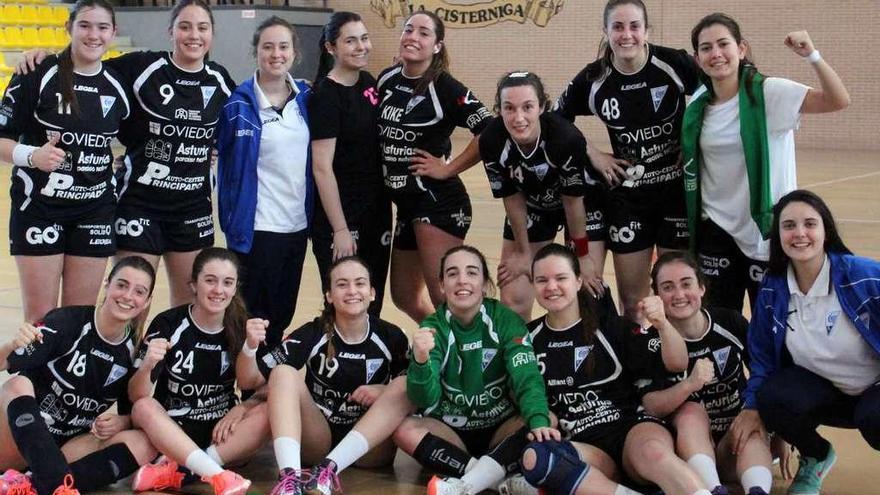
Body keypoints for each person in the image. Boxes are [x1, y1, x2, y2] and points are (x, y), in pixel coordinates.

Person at [20, 0, 237, 309]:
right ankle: (126, 357)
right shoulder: (139, 67)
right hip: (139, 206)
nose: (194, 35)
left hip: (193, 209)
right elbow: (86, 65)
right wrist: (43, 58)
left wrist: (296, 88)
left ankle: (163, 359)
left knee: (189, 306)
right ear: (170, 31)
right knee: (131, 305)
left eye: (202, 28)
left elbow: (250, 113)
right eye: (184, 26)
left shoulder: (221, 81)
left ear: (212, 34)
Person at [681, 13, 850, 312]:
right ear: (697, 58)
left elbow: (838, 100)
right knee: (720, 320)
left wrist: (812, 55)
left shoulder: (768, 92)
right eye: (706, 48)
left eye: (723, 44)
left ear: (741, 49)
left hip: (764, 229)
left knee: (771, 320)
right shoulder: (697, 105)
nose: (716, 54)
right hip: (716, 230)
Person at [520, 243, 713, 495]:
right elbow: (527, 395)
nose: (551, 286)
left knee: (654, 453)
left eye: (561, 278)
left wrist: (663, 324)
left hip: (630, 429)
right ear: (533, 285)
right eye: (542, 280)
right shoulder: (527, 339)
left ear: (578, 281)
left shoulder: (611, 327)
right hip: (582, 442)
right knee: (540, 459)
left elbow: (677, 363)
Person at [554, 0, 701, 323]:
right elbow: (555, 119)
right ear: (606, 32)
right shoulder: (594, 78)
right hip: (629, 199)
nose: (627, 35)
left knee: (676, 293)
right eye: (618, 27)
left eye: (634, 26)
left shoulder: (673, 63)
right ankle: (640, 371)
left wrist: (696, 138)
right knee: (633, 301)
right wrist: (594, 153)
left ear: (647, 30)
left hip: (676, 194)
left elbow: (720, 88)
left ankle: (681, 361)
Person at [732, 190, 880, 495]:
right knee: (771, 397)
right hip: (825, 393)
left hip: (874, 394)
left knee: (875, 417)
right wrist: (751, 407)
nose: (800, 233)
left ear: (826, 231)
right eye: (789, 226)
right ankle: (816, 456)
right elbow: (762, 358)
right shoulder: (773, 288)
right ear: (779, 237)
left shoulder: (863, 276)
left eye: (810, 224)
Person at [0, 0, 130, 323]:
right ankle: (32, 376)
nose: (93, 34)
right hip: (39, 211)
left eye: (102, 27)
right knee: (41, 320)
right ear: (69, 27)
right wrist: (33, 157)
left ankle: (67, 376)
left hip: (94, 211)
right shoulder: (37, 73)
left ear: (113, 33)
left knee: (79, 320)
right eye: (85, 25)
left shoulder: (118, 83)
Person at [234, 256, 410, 495]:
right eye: (342, 284)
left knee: (405, 383)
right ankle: (290, 480)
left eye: (359, 284)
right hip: (319, 440)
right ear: (329, 295)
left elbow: (414, 396)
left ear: (372, 293)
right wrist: (250, 346)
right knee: (283, 372)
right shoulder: (313, 333)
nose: (352, 291)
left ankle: (328, 470)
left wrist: (385, 391)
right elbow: (248, 380)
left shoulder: (392, 336)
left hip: (370, 448)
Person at [393, 245, 557, 495]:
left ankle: (464, 484)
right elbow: (424, 398)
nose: (462, 280)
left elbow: (527, 377)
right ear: (441, 285)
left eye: (471, 273)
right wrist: (421, 361)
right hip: (451, 432)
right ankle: (495, 481)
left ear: (485, 284)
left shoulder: (505, 321)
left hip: (499, 429)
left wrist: (537, 420)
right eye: (452, 273)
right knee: (404, 430)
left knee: (545, 418)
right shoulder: (433, 327)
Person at [0, 256, 158, 495]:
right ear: (107, 284)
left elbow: (133, 413)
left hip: (69, 446)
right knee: (16, 384)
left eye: (139, 291)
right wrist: (11, 345)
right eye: (122, 285)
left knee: (144, 443)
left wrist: (121, 422)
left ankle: (33, 484)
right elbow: (4, 363)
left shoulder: (136, 351)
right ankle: (55, 485)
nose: (127, 296)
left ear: (147, 302)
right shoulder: (67, 323)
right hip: (21, 438)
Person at [376, 11, 492, 323]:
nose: (413, 37)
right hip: (406, 204)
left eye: (424, 33)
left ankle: (472, 358)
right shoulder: (387, 79)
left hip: (438, 202)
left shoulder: (445, 87)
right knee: (404, 296)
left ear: (437, 45)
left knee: (445, 296)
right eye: (408, 29)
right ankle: (443, 346)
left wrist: (449, 168)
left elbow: (490, 131)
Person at [639, 252, 784, 495]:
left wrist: (781, 432)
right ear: (657, 296)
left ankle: (758, 491)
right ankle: (714, 490)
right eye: (667, 287)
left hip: (733, 444)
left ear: (702, 288)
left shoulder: (730, 322)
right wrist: (689, 385)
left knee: (748, 423)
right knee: (690, 412)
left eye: (687, 284)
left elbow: (765, 375)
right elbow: (652, 406)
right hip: (685, 454)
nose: (679, 294)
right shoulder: (651, 341)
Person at [127, 248, 266, 495]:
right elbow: (136, 396)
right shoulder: (168, 323)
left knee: (268, 411)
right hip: (172, 429)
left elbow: (256, 385)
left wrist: (242, 407)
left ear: (235, 289)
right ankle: (216, 475)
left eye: (227, 283)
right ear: (194, 284)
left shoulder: (243, 325)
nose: (218, 290)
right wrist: (148, 364)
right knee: (143, 408)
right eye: (210, 280)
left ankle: (182, 471)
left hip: (219, 433)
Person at [216, 16, 312, 350]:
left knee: (282, 313)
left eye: (283, 46)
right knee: (251, 316)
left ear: (294, 52)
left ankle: (268, 388)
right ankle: (246, 388)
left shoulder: (307, 99)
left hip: (297, 227)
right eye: (267, 47)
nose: (276, 54)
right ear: (256, 52)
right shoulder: (236, 104)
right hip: (256, 228)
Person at [478, 70, 603, 320]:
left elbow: (572, 201)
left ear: (542, 107)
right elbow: (512, 199)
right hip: (533, 205)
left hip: (582, 206)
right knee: (514, 295)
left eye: (527, 107)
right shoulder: (491, 140)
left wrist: (583, 255)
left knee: (586, 291)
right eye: (509, 108)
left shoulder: (564, 138)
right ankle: (520, 355)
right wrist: (524, 253)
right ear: (499, 110)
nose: (519, 117)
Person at [309, 11, 392, 315]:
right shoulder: (325, 96)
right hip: (341, 218)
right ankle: (336, 361)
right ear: (331, 48)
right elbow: (322, 167)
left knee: (372, 298)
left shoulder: (369, 83)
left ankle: (372, 361)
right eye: (350, 41)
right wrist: (340, 229)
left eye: (364, 38)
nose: (361, 46)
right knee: (344, 301)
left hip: (377, 212)